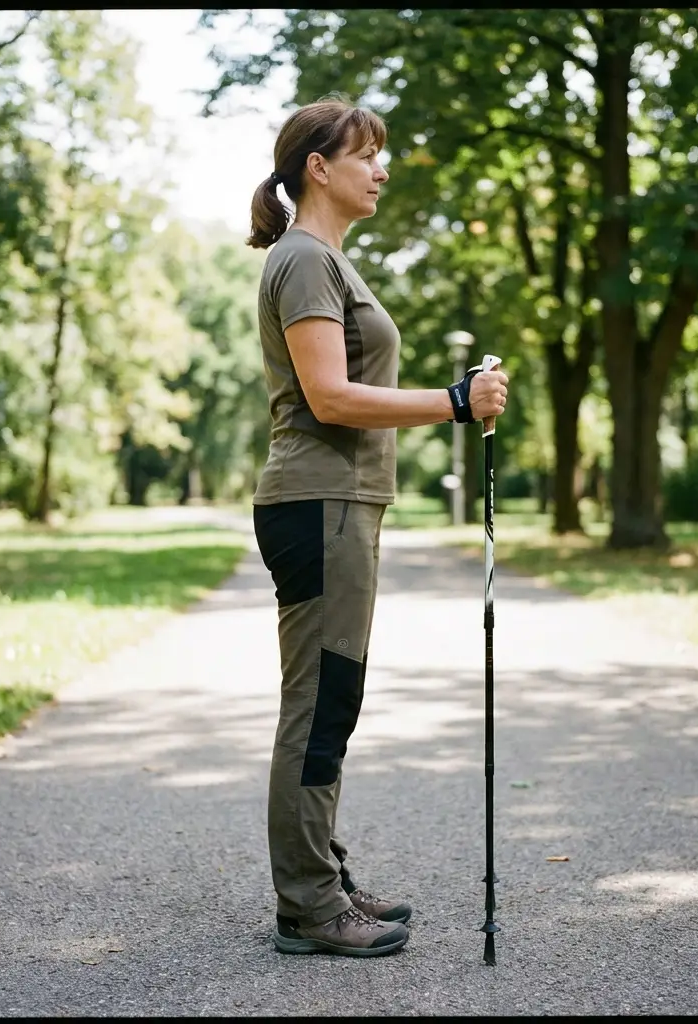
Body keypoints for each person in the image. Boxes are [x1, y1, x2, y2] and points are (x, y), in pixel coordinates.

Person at [247, 98, 510, 958]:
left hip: (341, 502)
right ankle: (309, 907)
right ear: (318, 167)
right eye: (368, 155)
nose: (383, 169)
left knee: (335, 700)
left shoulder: (325, 261)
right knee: (318, 706)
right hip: (318, 501)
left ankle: (319, 873)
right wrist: (455, 404)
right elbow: (329, 397)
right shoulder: (304, 261)